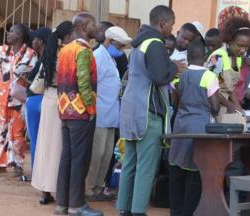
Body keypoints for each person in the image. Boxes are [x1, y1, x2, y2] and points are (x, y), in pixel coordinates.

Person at [117, 5, 185, 216]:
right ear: (163, 23)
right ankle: (138, 211)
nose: (171, 30)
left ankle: (124, 209)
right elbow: (159, 76)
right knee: (146, 166)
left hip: (131, 109)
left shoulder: (139, 43)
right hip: (147, 112)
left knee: (130, 163)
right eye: (171, 25)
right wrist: (176, 67)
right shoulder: (155, 43)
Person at [54, 12, 102, 216]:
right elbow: (83, 82)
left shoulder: (65, 50)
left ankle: (62, 204)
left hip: (65, 111)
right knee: (80, 160)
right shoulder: (83, 50)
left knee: (67, 158)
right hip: (80, 112)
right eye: (93, 24)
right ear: (83, 26)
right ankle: (76, 205)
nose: (96, 28)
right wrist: (90, 108)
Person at [168, 39, 220, 216]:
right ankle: (188, 211)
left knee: (177, 168)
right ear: (205, 57)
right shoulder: (209, 76)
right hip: (199, 127)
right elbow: (215, 107)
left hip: (180, 125)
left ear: (188, 56)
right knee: (195, 169)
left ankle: (175, 210)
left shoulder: (181, 75)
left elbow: (175, 101)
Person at [85, 26, 131, 201]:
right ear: (110, 41)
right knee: (96, 155)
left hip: (110, 115)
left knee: (105, 155)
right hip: (99, 114)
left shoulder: (109, 58)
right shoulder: (97, 57)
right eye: (120, 46)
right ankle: (88, 189)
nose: (121, 50)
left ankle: (97, 188)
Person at [31, 21, 73, 205]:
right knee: (58, 147)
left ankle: (44, 191)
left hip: (48, 100)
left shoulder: (49, 55)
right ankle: (59, 190)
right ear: (67, 36)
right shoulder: (67, 53)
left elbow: (38, 82)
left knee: (45, 146)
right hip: (61, 100)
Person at [0, 23, 37, 176]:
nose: (8, 34)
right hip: (3, 97)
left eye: (11, 32)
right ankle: (1, 163)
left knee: (18, 133)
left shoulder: (30, 54)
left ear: (20, 35)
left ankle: (18, 163)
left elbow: (35, 76)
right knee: (3, 130)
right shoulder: (3, 50)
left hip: (19, 99)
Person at [206, 17, 250, 114]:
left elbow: (229, 89)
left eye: (246, 46)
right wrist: (230, 105)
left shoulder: (237, 58)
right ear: (229, 41)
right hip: (213, 106)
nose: (243, 50)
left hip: (225, 106)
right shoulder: (218, 57)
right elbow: (210, 88)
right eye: (239, 45)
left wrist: (239, 108)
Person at [25, 27, 51, 174]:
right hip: (46, 99)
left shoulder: (42, 59)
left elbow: (39, 83)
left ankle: (37, 172)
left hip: (35, 99)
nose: (32, 41)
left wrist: (25, 80)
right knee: (46, 139)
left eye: (35, 39)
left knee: (35, 138)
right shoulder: (50, 57)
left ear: (40, 42)